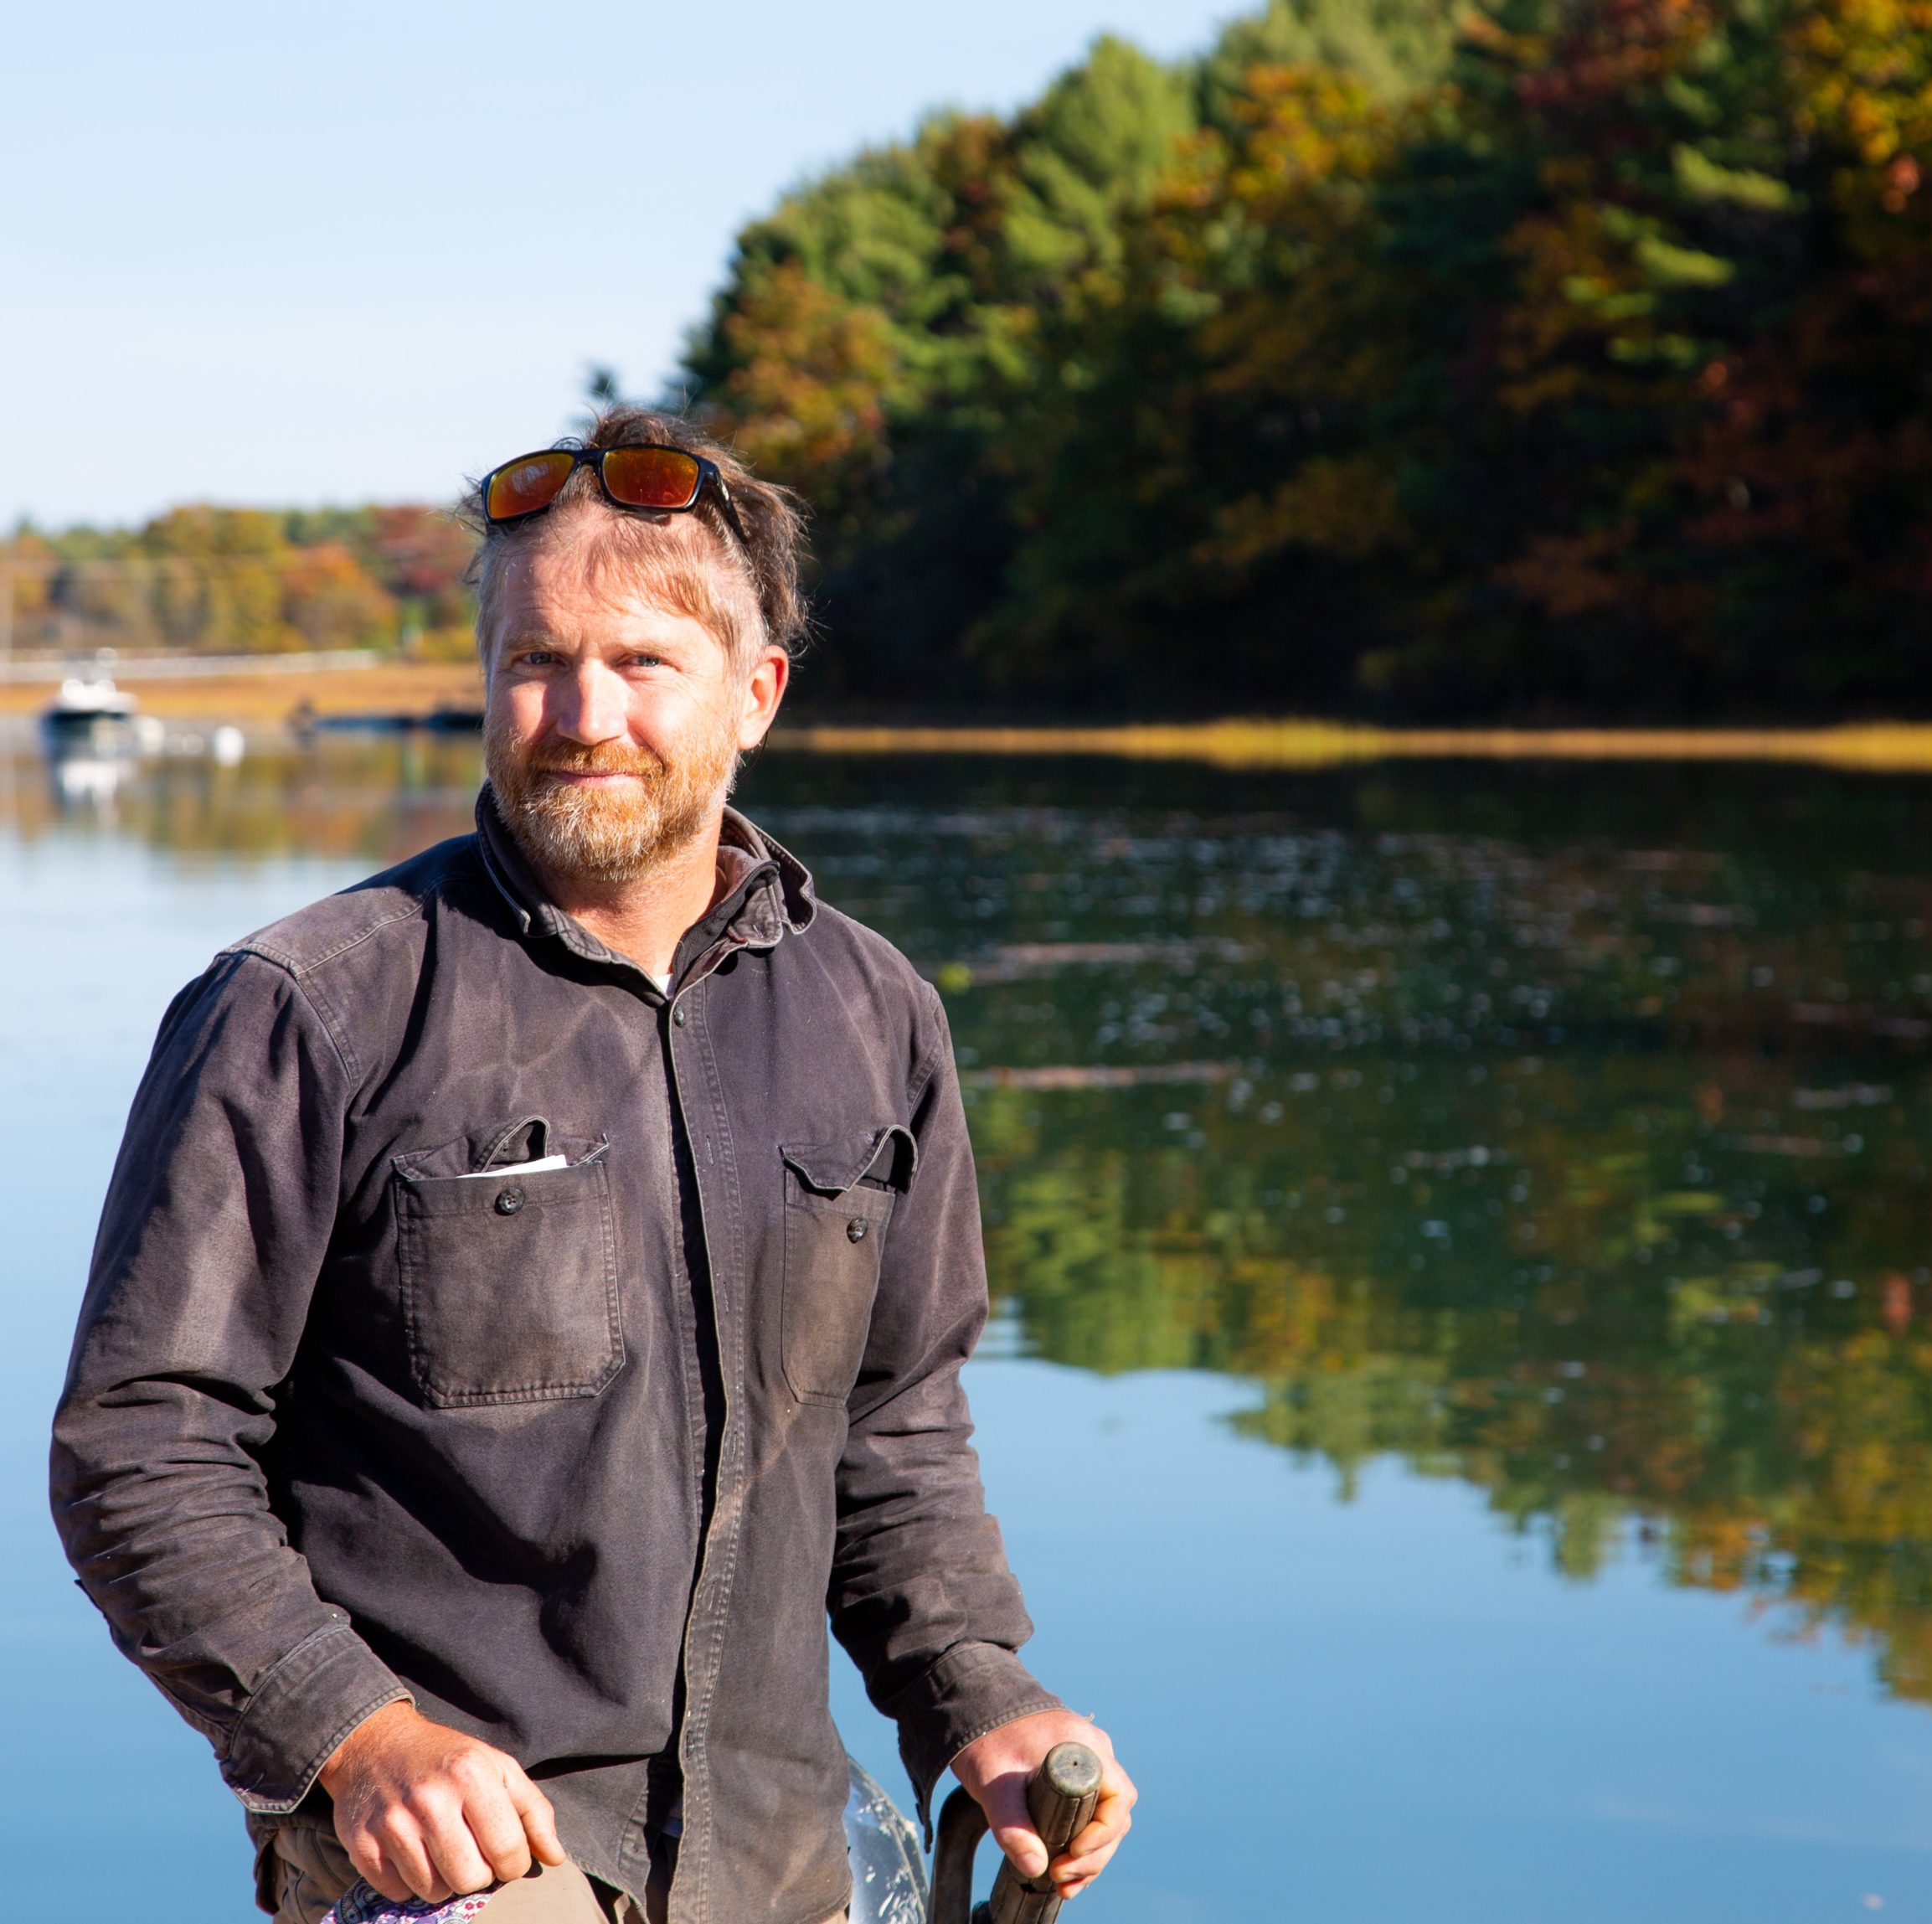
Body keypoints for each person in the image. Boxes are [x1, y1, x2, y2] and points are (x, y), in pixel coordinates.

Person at [49, 409, 1135, 1924]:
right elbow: (140, 1445)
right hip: (463, 1866)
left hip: (782, 1859)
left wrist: (980, 1694)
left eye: (640, 664)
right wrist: (359, 1738)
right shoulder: (305, 1006)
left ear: (754, 694)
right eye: (534, 661)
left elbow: (891, 1429)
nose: (578, 711)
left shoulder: (877, 1013)